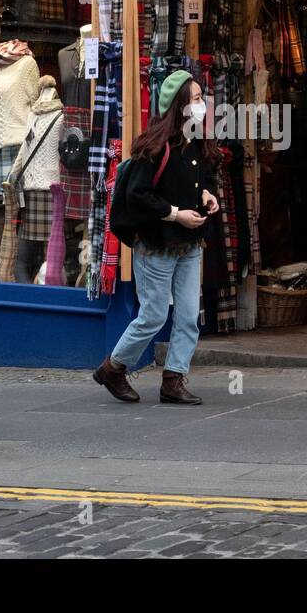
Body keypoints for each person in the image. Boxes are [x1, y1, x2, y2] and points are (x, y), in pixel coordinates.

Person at [94, 71, 219, 405]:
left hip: (190, 244)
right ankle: (113, 367)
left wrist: (207, 195)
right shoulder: (155, 146)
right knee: (153, 315)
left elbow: (201, 179)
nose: (201, 105)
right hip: (157, 245)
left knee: (189, 315)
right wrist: (176, 213)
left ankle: (173, 379)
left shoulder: (197, 143)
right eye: (195, 99)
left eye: (200, 98)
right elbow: (138, 195)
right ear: (178, 105)